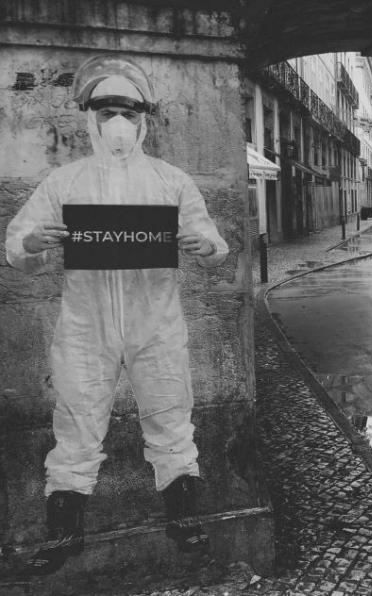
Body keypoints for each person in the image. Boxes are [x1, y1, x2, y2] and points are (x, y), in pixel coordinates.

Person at [4, 54, 229, 575]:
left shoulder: (172, 181)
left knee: (171, 415)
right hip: (85, 326)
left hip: (157, 322)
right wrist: (31, 243)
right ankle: (64, 534)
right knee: (76, 421)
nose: (118, 123)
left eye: (128, 112)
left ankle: (184, 520)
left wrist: (206, 247)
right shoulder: (64, 183)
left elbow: (214, 242)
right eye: (107, 113)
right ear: (91, 118)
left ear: (143, 118)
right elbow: (17, 244)